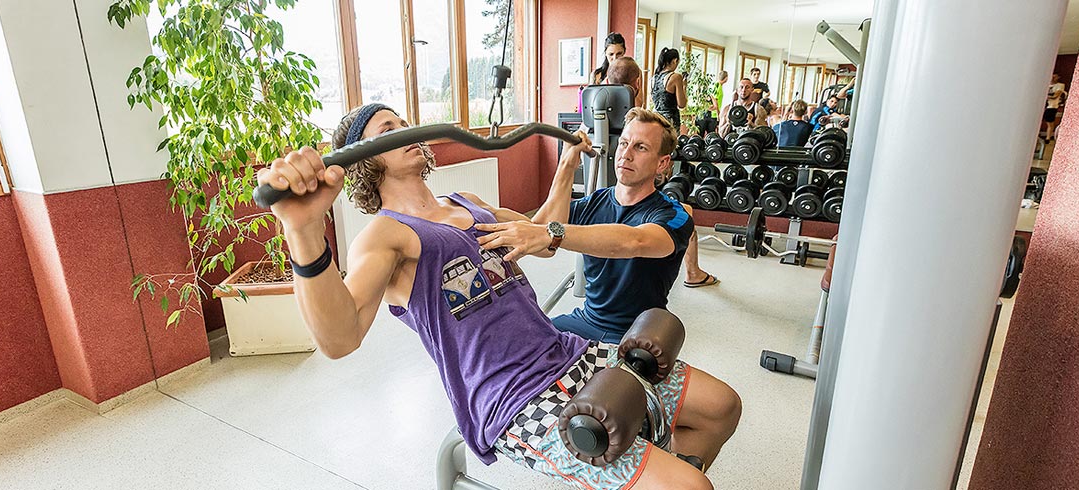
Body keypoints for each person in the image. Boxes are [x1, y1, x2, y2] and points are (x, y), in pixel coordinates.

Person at [259, 103, 741, 489]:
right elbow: (340, 338)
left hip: (566, 351)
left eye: (407, 123)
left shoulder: (466, 203)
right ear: (367, 156)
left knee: (722, 406)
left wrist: (567, 163)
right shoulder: (386, 235)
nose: (408, 131)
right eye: (391, 128)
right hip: (512, 396)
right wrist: (303, 231)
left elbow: (541, 236)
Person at [478, 107, 720, 343]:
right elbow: (538, 230)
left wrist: (551, 233)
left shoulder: (674, 215)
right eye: (624, 143)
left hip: (636, 334)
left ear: (662, 164)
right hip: (587, 319)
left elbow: (632, 242)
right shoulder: (594, 202)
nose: (626, 154)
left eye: (641, 147)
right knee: (513, 346)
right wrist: (566, 165)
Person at [605, 58, 716, 289]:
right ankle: (692, 272)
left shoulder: (598, 105)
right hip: (642, 171)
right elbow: (682, 104)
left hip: (609, 177)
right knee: (682, 212)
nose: (626, 151)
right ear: (637, 83)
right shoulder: (643, 116)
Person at [650, 48, 688, 133]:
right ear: (675, 60)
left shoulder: (653, 78)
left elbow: (653, 100)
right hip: (669, 121)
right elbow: (682, 104)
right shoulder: (676, 77)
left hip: (655, 118)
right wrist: (684, 86)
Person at [1044, 73, 1066, 143]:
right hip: (1045, 106)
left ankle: (1048, 137)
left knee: (1050, 123)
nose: (1053, 78)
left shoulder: (1060, 86)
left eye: (1055, 76)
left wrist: (1047, 97)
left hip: (1052, 106)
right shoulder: (1046, 85)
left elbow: (1056, 95)